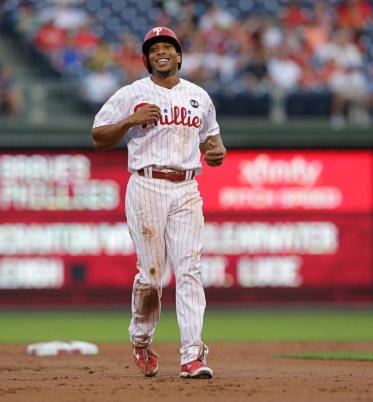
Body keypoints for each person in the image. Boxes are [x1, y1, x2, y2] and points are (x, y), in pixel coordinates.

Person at [91, 27, 226, 379]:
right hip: (147, 184)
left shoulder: (199, 96)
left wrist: (217, 152)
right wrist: (130, 120)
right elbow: (98, 137)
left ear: (179, 56)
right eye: (154, 49)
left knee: (189, 270)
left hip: (186, 188)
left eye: (167, 47)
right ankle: (140, 337)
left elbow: (213, 141)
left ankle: (192, 355)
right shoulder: (132, 93)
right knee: (152, 277)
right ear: (146, 59)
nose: (161, 52)